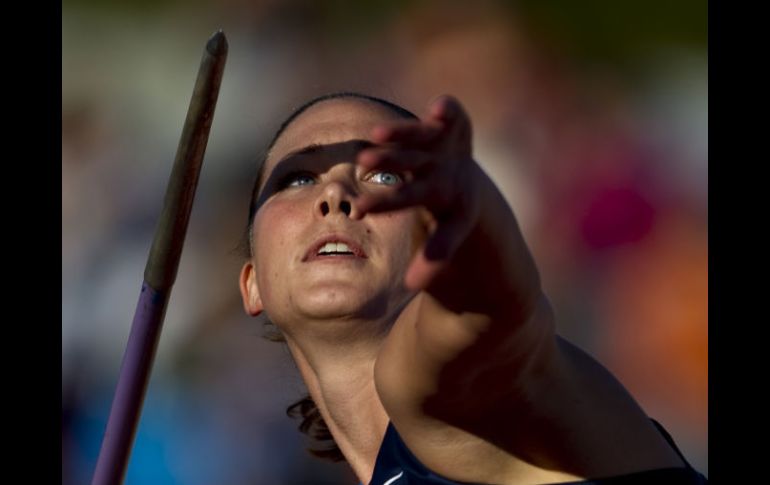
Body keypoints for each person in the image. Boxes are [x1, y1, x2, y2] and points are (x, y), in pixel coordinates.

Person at [238, 92, 708, 484]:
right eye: (297, 177)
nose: (336, 194)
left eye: (385, 175)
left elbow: (486, 307)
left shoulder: (444, 388)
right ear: (252, 282)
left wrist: (471, 209)